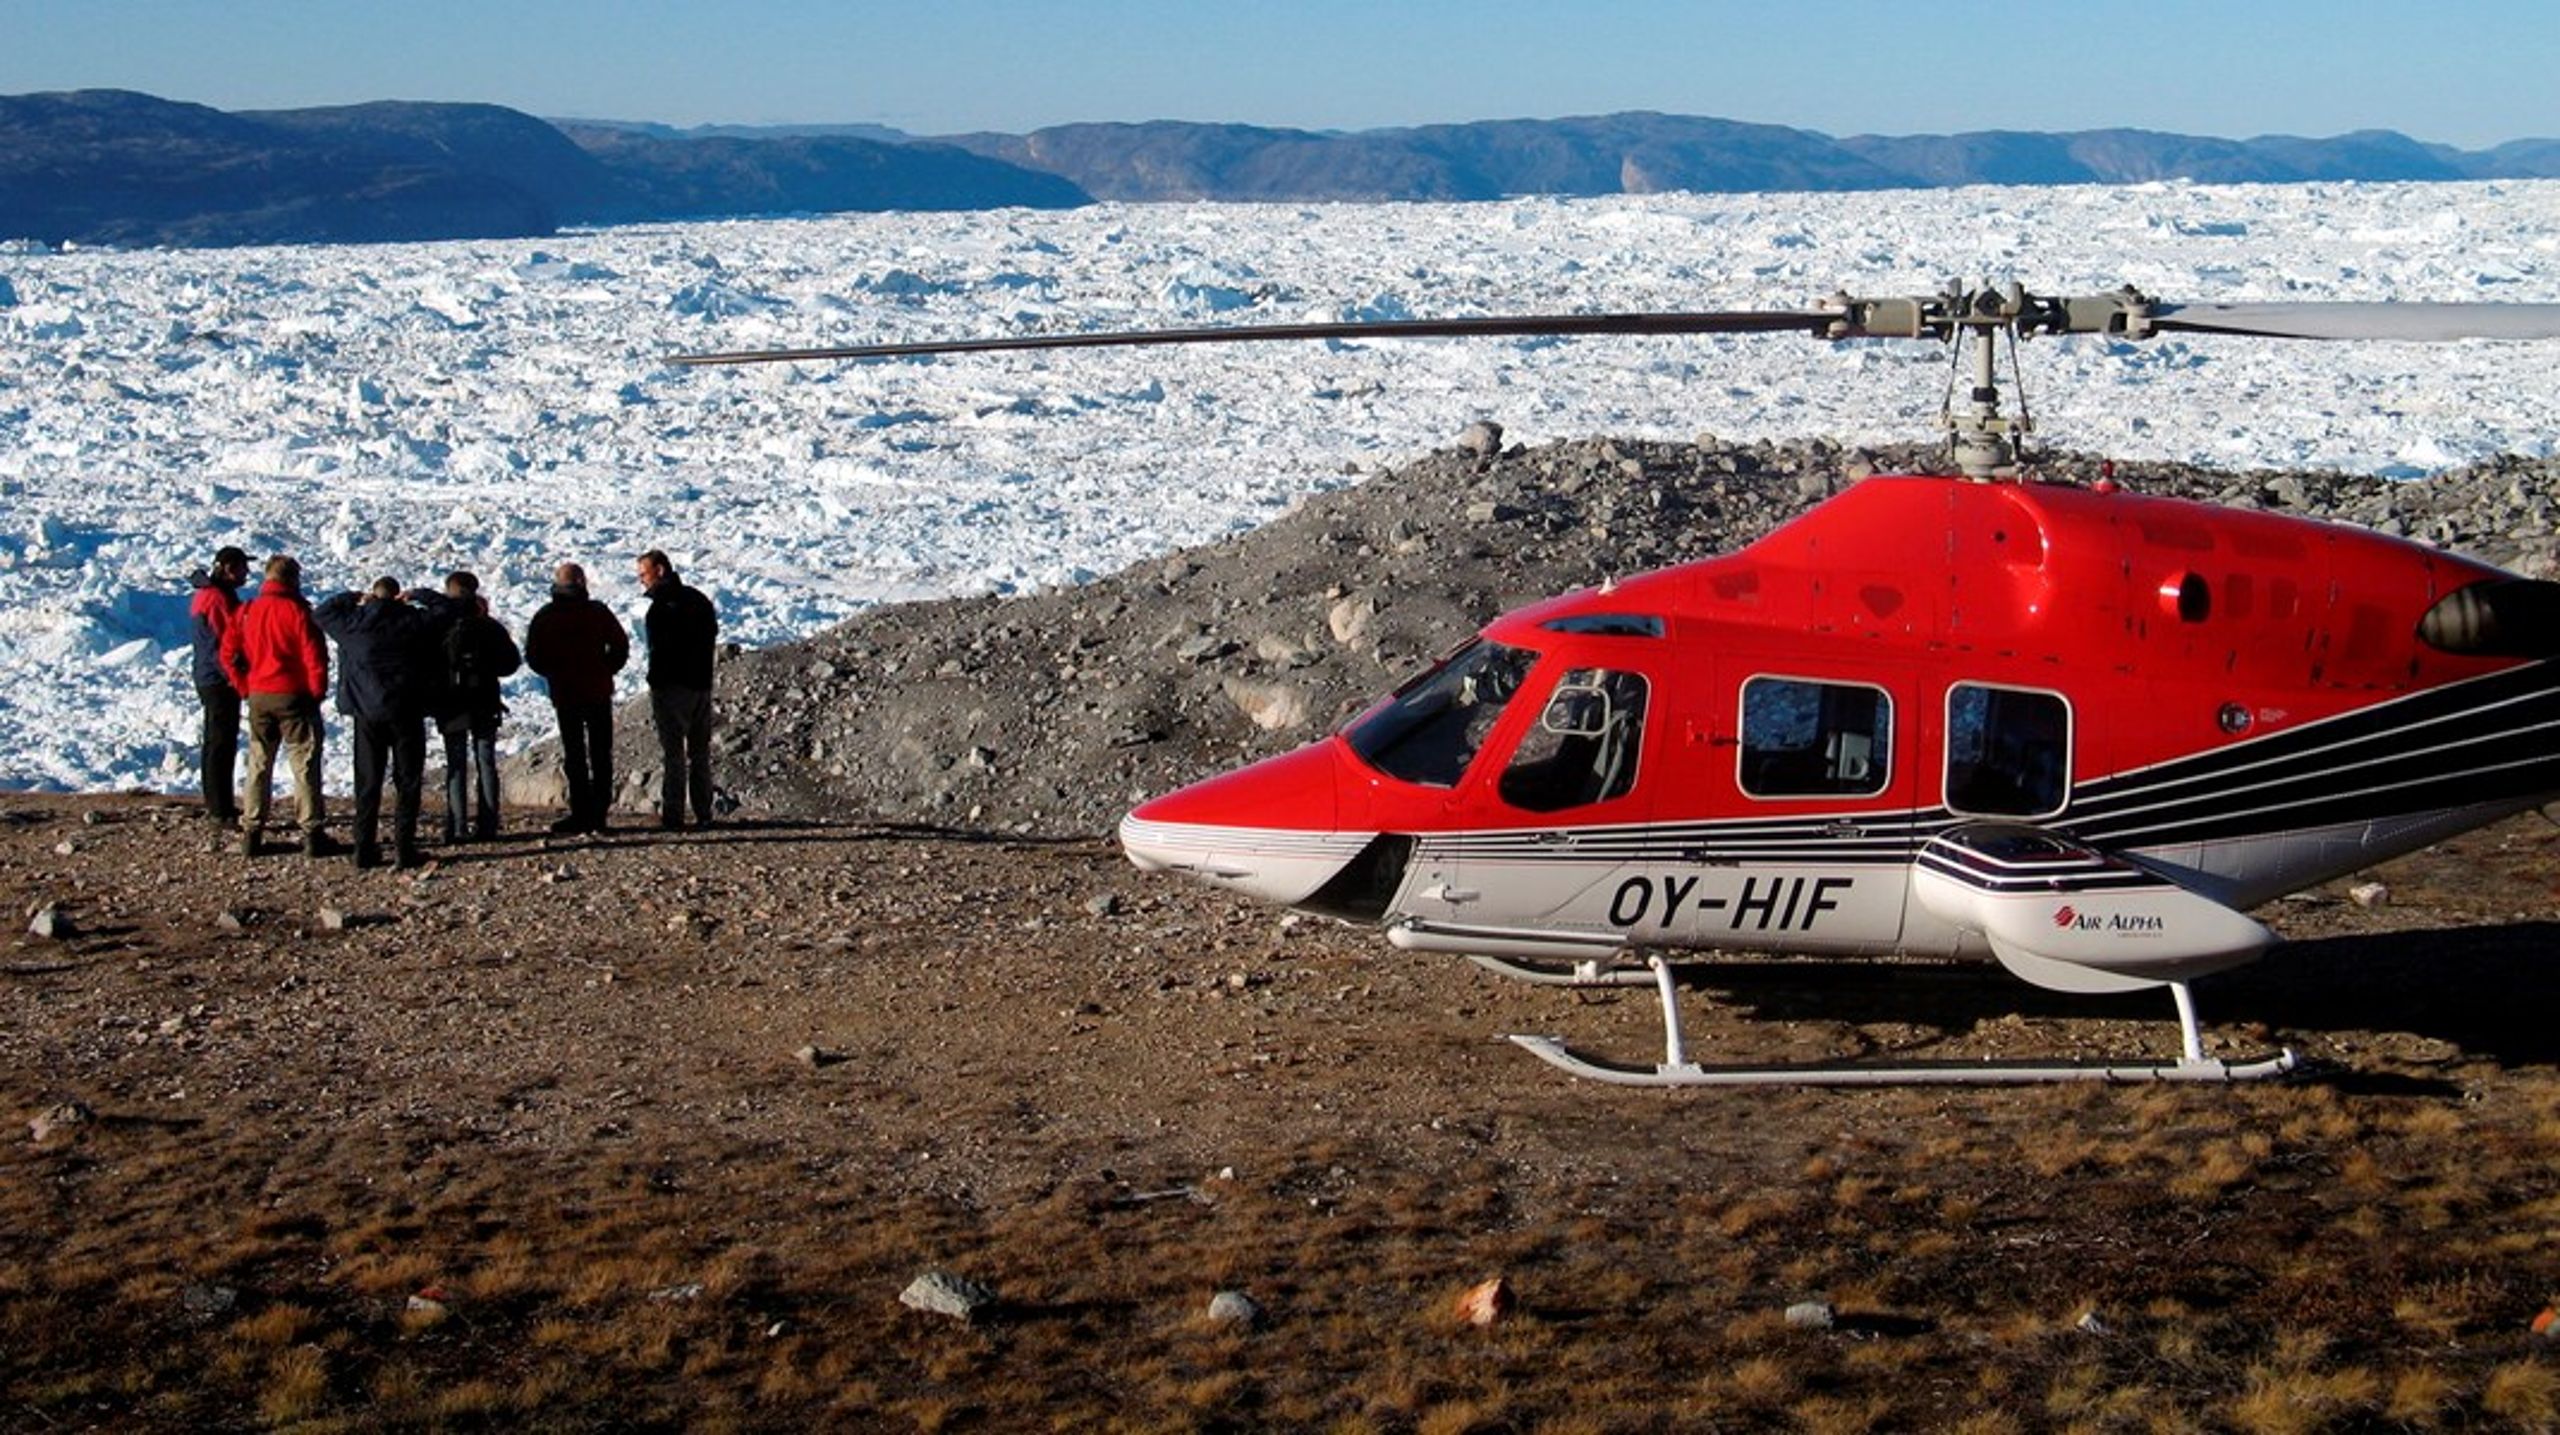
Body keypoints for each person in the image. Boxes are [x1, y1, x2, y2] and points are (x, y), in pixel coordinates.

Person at [314, 577, 446, 869]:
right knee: (408, 780)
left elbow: (321, 613)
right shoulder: (413, 621)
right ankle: (404, 847)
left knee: (368, 781)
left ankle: (363, 848)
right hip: (406, 710)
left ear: (373, 596)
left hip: (367, 713)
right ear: (397, 595)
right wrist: (417, 594)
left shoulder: (353, 625)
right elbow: (445, 609)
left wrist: (353, 596)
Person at [221, 555, 335, 859]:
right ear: (292, 579)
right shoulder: (297, 612)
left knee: (259, 762)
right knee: (304, 761)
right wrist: (316, 691)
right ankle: (311, 831)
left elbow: (228, 652)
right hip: (294, 695)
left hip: (259, 694)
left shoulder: (248, 611)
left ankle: (252, 830)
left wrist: (243, 686)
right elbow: (314, 656)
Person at [523, 561, 629, 835]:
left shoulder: (546, 616)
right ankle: (599, 814)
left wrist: (554, 674)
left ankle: (580, 812)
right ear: (582, 583)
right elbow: (620, 645)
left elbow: (534, 655)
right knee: (600, 753)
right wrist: (606, 669)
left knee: (575, 754)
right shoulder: (597, 612)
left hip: (566, 693)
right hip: (597, 691)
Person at [429, 571, 521, 842]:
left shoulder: (440, 626)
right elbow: (510, 664)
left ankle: (457, 827)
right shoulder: (490, 626)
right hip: (485, 700)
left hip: (452, 703)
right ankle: (488, 825)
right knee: (486, 762)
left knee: (456, 766)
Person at [635, 548, 720, 830]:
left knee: (673, 755)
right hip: (701, 686)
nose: (642, 581)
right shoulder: (698, 600)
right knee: (700, 753)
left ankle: (673, 814)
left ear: (659, 570)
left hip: (672, 690)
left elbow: (659, 651)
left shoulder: (661, 608)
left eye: (643, 574)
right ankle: (703, 812)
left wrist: (656, 682)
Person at [187, 544, 251, 848]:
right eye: (241, 567)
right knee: (219, 742)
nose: (246, 573)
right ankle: (218, 808)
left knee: (219, 741)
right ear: (226, 567)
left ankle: (220, 804)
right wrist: (237, 676)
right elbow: (226, 643)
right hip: (218, 679)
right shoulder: (216, 598)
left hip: (212, 675)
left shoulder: (212, 594)